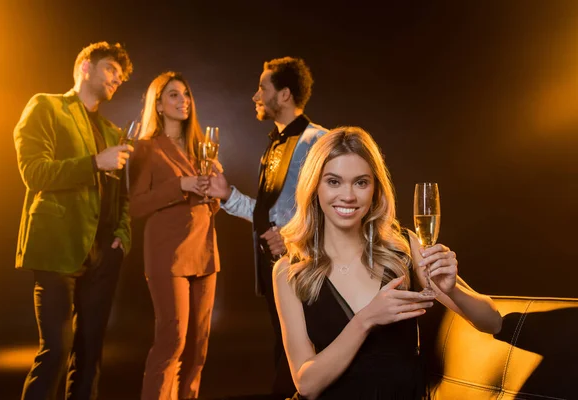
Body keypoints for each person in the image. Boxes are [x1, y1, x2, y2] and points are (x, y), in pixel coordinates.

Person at [273, 126, 503, 399]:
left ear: (375, 190)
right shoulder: (290, 270)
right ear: (314, 188)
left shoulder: (405, 247)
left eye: (361, 182)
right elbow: (307, 385)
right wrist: (367, 319)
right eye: (333, 182)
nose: (348, 195)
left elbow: (493, 323)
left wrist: (451, 289)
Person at [13, 41, 134, 399]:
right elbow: (34, 173)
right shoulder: (46, 106)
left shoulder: (113, 132)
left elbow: (121, 197)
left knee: (90, 355)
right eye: (111, 69)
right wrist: (95, 163)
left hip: (102, 255)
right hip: (57, 249)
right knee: (56, 352)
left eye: (121, 76)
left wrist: (122, 236)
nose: (118, 79)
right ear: (85, 67)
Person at [207, 57, 328, 397]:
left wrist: (291, 238)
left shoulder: (317, 141)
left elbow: (334, 207)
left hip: (307, 271)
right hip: (274, 271)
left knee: (306, 358)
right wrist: (226, 194)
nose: (255, 95)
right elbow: (268, 215)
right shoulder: (273, 143)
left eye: (262, 88)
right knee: (286, 352)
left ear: (285, 94)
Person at [128, 71, 219, 400]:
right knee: (173, 339)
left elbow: (215, 204)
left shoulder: (202, 149)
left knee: (198, 347)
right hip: (168, 253)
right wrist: (179, 186)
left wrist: (215, 193)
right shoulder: (147, 148)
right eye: (174, 95)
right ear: (159, 105)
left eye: (186, 95)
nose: (184, 101)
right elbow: (135, 206)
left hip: (205, 252)